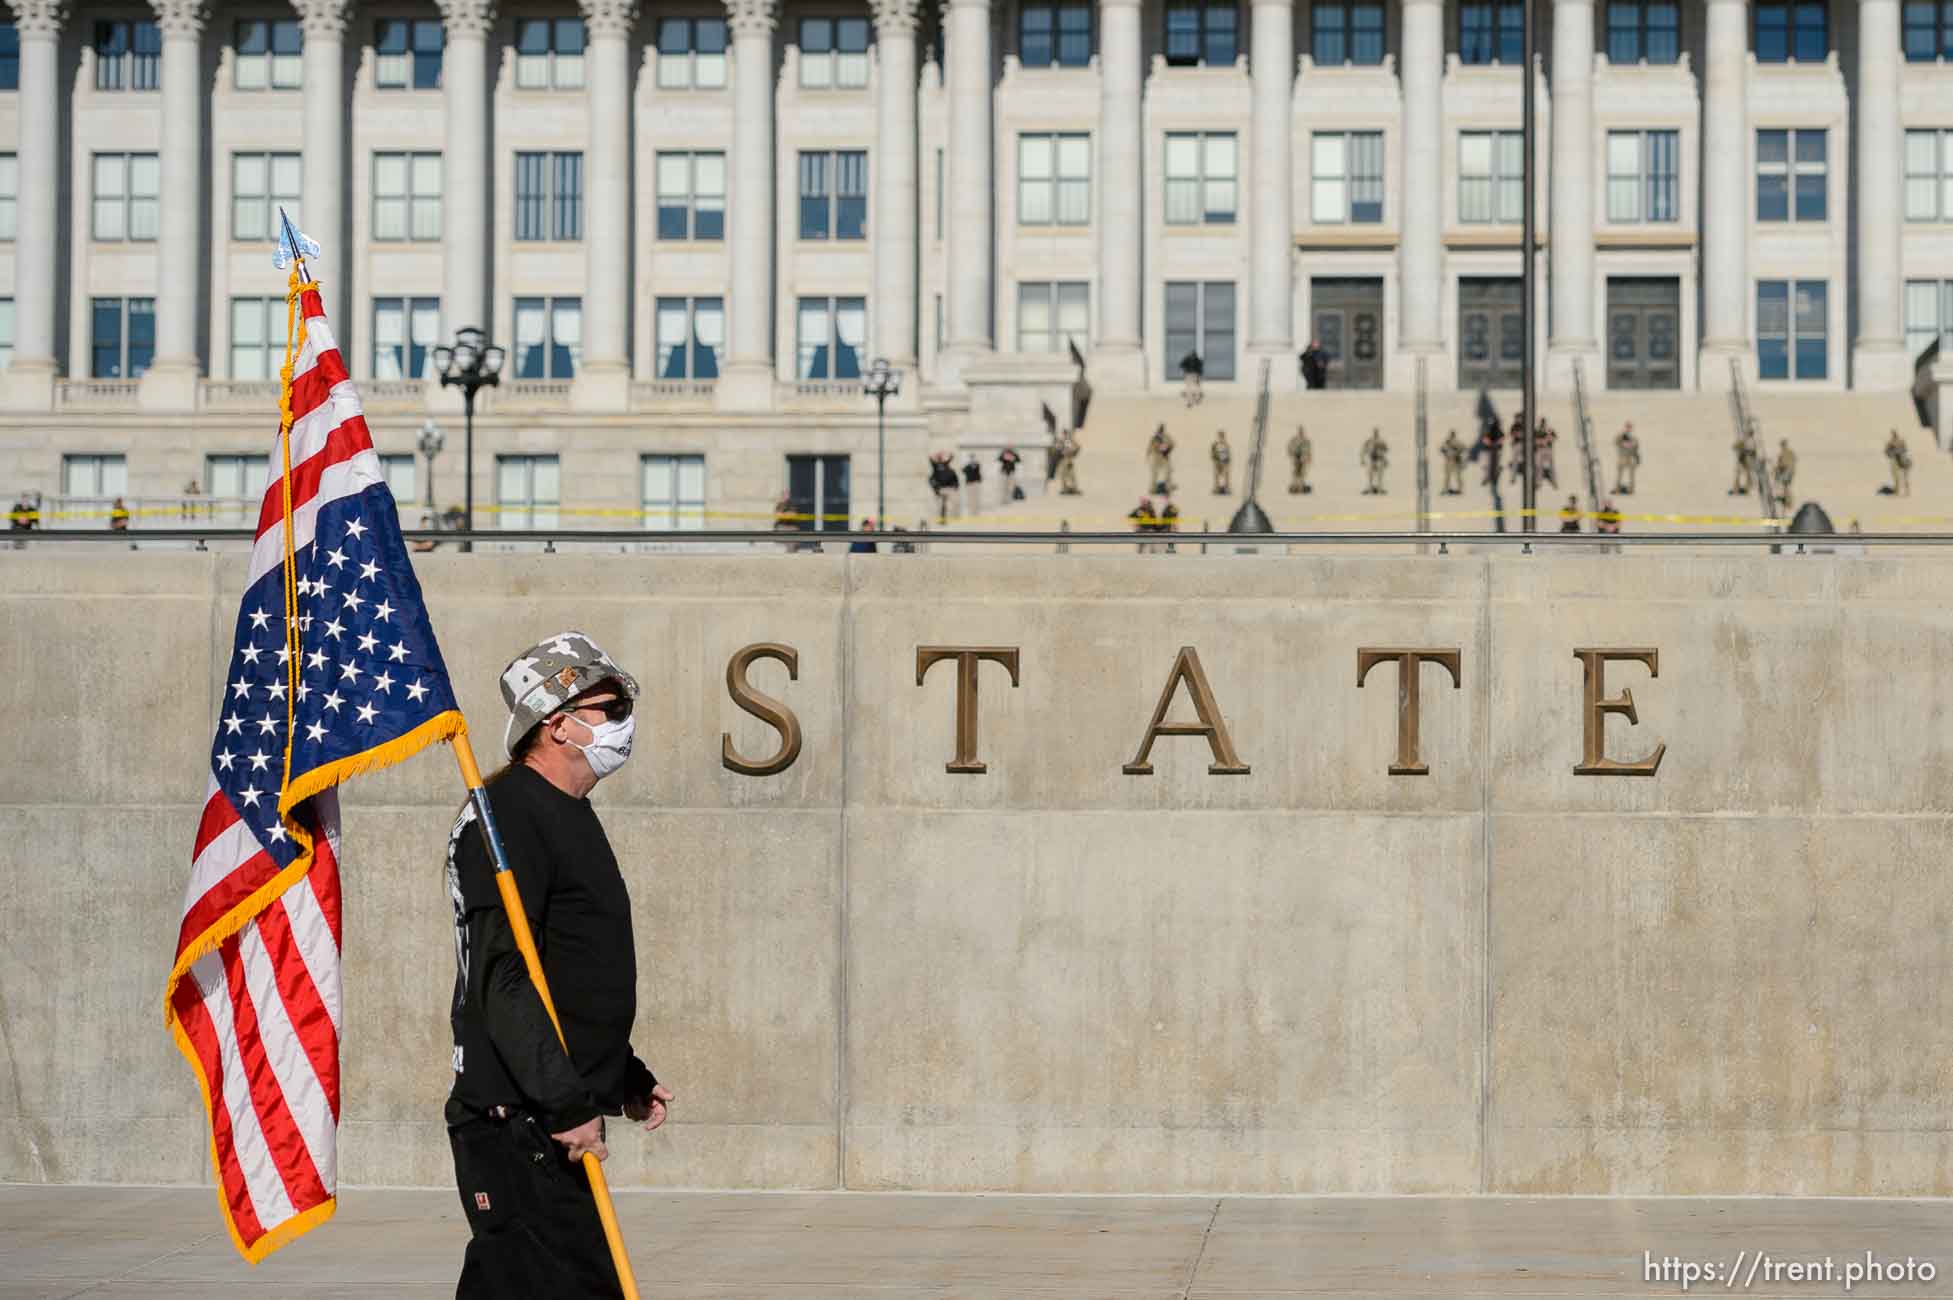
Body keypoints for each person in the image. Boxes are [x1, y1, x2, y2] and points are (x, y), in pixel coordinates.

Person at [446, 633, 674, 1299]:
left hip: (548, 1111)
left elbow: (571, 971)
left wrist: (620, 1071)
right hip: (519, 1120)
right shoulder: (508, 815)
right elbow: (504, 976)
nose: (623, 719)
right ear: (558, 724)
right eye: (611, 706)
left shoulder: (565, 811)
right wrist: (565, 1101)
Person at [928, 453, 959, 522]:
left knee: (951, 504)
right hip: (940, 488)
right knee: (941, 505)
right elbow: (931, 460)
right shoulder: (936, 466)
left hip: (948, 488)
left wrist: (950, 456)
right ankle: (942, 518)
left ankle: (951, 517)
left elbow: (949, 460)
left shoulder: (946, 465)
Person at [1730, 421, 1758, 495]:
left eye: (1749, 433)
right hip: (1742, 460)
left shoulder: (1752, 441)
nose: (1747, 434)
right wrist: (1739, 448)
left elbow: (1753, 451)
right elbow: (1735, 446)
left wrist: (1745, 450)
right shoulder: (1744, 440)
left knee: (1747, 474)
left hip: (1747, 460)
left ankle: (1746, 488)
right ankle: (1736, 488)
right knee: (1739, 473)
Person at [1146, 424, 1175, 495]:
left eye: (1162, 429)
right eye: (1160, 429)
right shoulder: (1155, 437)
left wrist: (1167, 450)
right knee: (1154, 473)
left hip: (1164, 456)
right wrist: (1148, 454)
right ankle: (1153, 488)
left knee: (1169, 470)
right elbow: (1150, 446)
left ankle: (1168, 486)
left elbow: (1172, 444)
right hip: (1156, 456)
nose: (1160, 430)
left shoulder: (1166, 437)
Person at [1614, 423, 1641, 495]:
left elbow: (1636, 447)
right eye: (1627, 427)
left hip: (1630, 458)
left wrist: (1637, 458)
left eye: (1630, 427)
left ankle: (1631, 489)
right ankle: (1617, 488)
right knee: (1620, 474)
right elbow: (1616, 442)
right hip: (1622, 457)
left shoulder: (1634, 438)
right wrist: (1623, 443)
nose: (1628, 429)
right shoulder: (1620, 436)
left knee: (1631, 475)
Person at [1361, 428, 1388, 495]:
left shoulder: (1381, 441)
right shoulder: (1369, 441)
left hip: (1379, 458)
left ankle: (1379, 488)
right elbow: (1364, 450)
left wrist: (1384, 459)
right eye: (1374, 432)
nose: (1375, 434)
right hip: (1371, 458)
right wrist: (1362, 459)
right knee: (1370, 474)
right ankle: (1370, 487)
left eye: (1376, 432)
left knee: (1379, 474)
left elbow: (1385, 450)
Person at [1885, 428, 1912, 496]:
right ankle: (1899, 491)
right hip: (1896, 460)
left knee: (1904, 477)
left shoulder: (1898, 441)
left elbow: (1905, 449)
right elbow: (1887, 451)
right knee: (1897, 477)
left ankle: (1906, 491)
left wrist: (1896, 451)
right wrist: (1892, 453)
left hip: (1902, 460)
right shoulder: (1891, 442)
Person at [1054, 429, 1081, 495]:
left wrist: (1072, 452)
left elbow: (1077, 447)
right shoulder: (1062, 441)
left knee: (1071, 474)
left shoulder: (1070, 441)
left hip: (1068, 459)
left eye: (1065, 434)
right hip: (1063, 459)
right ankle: (1065, 488)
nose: (1064, 435)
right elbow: (1058, 448)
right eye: (1064, 434)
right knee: (1063, 474)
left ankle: (1073, 487)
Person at [1287, 426, 1313, 494]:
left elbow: (1308, 450)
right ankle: (1296, 486)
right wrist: (1292, 454)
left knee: (1302, 473)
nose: (1301, 433)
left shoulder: (1306, 441)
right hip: (1296, 458)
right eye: (1300, 431)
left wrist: (1308, 458)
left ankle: (1301, 486)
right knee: (1296, 473)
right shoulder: (1294, 440)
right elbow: (1290, 448)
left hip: (1303, 459)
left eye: (1302, 431)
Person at [1440, 430, 1466, 495]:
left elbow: (1464, 448)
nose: (1452, 436)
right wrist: (1445, 452)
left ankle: (1460, 489)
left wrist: (1457, 452)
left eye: (1453, 434)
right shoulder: (1447, 442)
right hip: (1449, 460)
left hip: (1455, 460)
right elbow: (1442, 449)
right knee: (1447, 476)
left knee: (1457, 476)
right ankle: (1446, 488)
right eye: (1451, 434)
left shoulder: (1457, 442)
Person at [1773, 439, 1797, 508]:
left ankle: (1788, 502)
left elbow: (1783, 464)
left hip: (1787, 472)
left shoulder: (1786, 453)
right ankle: (1787, 501)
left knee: (1786, 487)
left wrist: (1777, 470)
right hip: (1788, 472)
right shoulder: (1788, 453)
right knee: (1785, 487)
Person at [1536, 421, 1559, 488]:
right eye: (1542, 425)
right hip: (1540, 450)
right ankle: (1538, 483)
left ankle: (1554, 482)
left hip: (1548, 450)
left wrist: (1549, 438)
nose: (1543, 426)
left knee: (1552, 467)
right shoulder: (1538, 431)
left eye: (1544, 424)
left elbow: (1555, 437)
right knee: (1539, 467)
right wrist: (1542, 441)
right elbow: (1535, 441)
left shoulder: (1549, 430)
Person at [1211, 430, 1232, 495]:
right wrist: (1216, 461)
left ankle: (1226, 487)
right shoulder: (1215, 445)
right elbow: (1213, 454)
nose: (1221, 438)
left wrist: (1227, 462)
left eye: (1222, 436)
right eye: (1220, 436)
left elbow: (1228, 454)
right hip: (1218, 462)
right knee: (1217, 474)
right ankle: (1217, 487)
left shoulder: (1226, 445)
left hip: (1224, 462)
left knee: (1226, 474)